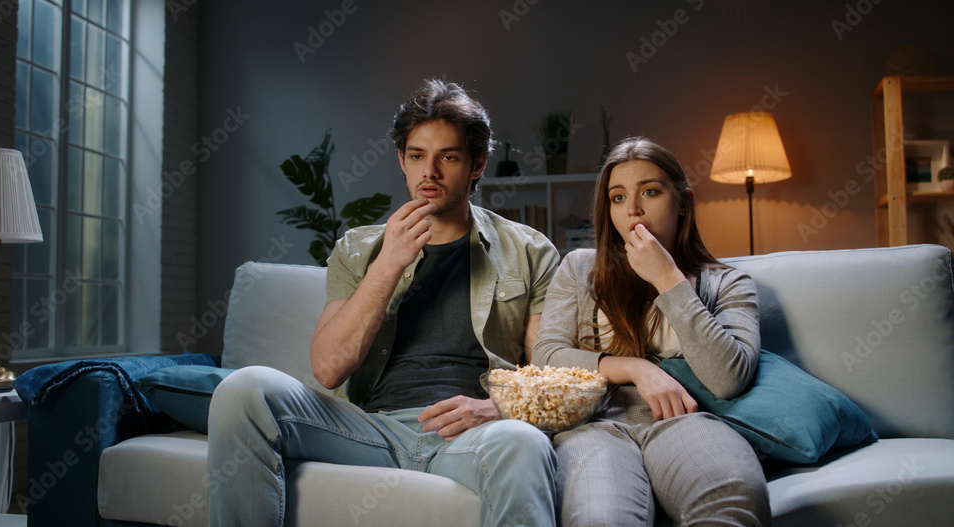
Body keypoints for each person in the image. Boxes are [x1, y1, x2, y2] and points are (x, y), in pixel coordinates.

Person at [207, 78, 561, 527]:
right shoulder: (358, 249)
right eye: (417, 156)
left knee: (524, 442)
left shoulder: (529, 251)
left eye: (447, 157)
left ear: (477, 164)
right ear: (401, 160)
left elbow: (552, 372)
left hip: (470, 433)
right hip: (369, 429)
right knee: (243, 389)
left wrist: (499, 408)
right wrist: (387, 265)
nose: (428, 172)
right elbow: (329, 367)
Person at [532, 137, 771, 526]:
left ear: (683, 202)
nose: (634, 210)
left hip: (686, 421)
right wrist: (639, 369)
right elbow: (546, 357)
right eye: (618, 197)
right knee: (600, 517)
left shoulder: (727, 283)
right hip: (597, 426)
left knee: (735, 498)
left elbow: (727, 379)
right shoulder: (578, 269)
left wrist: (669, 280)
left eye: (650, 192)